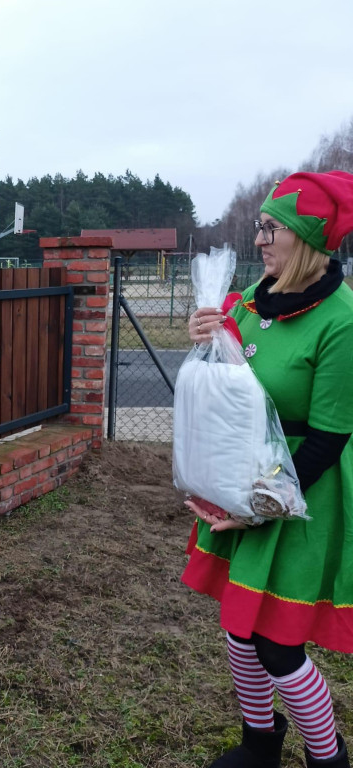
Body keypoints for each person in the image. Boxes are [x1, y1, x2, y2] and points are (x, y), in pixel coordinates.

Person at [183, 170, 353, 768]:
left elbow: (330, 438)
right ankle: (260, 743)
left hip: (301, 494)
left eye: (269, 228)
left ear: (305, 237)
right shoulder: (257, 299)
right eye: (258, 227)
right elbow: (227, 375)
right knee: (238, 628)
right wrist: (205, 332)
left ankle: (328, 757)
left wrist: (255, 506)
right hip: (242, 478)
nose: (258, 239)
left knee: (277, 644)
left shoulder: (342, 319)